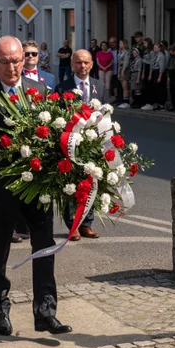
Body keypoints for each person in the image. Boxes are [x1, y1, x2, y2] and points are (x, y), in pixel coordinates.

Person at [0, 36, 70, 337]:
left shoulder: (39, 91)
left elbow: (54, 133)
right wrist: (7, 143)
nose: (11, 67)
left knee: (45, 246)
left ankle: (46, 313)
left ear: (24, 60)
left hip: (36, 187)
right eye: (5, 62)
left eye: (16, 61)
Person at [56, 50, 101, 241]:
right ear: (72, 64)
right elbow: (58, 116)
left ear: (91, 64)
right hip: (71, 142)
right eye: (78, 63)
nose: (82, 66)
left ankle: (86, 224)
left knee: (91, 183)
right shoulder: (62, 88)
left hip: (94, 143)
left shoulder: (100, 85)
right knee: (70, 185)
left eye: (86, 63)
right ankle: (72, 225)